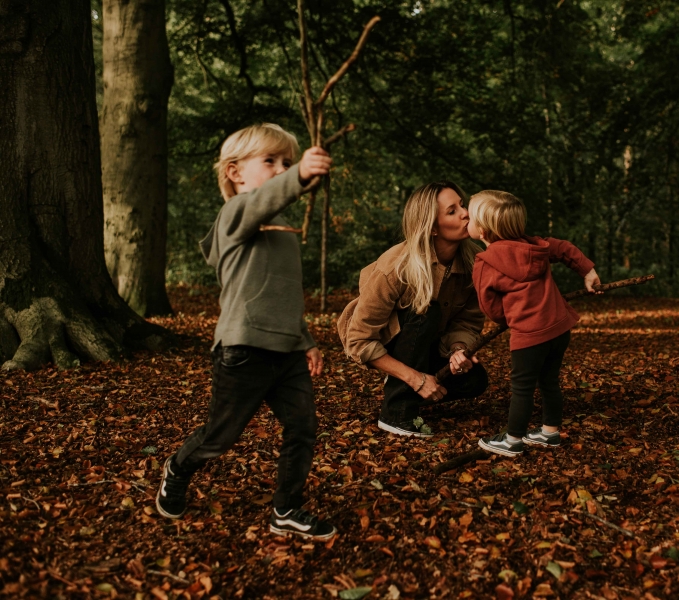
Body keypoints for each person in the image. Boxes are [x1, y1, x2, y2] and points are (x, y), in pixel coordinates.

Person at [155, 123, 336, 540]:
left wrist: (306, 340)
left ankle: (287, 509)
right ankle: (178, 468)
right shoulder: (234, 215)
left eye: (286, 162)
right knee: (220, 437)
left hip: (287, 351)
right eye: (269, 161)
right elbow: (264, 201)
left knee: (303, 427)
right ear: (235, 173)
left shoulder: (283, 231)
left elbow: (284, 294)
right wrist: (301, 176)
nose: (280, 169)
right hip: (243, 348)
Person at [337, 181, 489, 437]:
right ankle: (396, 414)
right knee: (426, 311)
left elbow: (468, 322)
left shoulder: (474, 262)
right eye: (452, 211)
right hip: (388, 342)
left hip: (428, 343)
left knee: (475, 380)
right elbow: (359, 339)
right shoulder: (396, 266)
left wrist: (457, 350)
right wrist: (415, 378)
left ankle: (402, 384)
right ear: (431, 228)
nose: (466, 213)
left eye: (462, 205)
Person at [466, 190, 600, 457]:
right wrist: (588, 270)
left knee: (522, 388)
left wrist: (507, 318)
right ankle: (550, 433)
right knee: (549, 381)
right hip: (560, 328)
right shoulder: (535, 246)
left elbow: (489, 305)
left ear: (481, 231)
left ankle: (512, 440)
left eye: (468, 217)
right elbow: (564, 248)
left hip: (529, 335)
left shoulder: (484, 263)